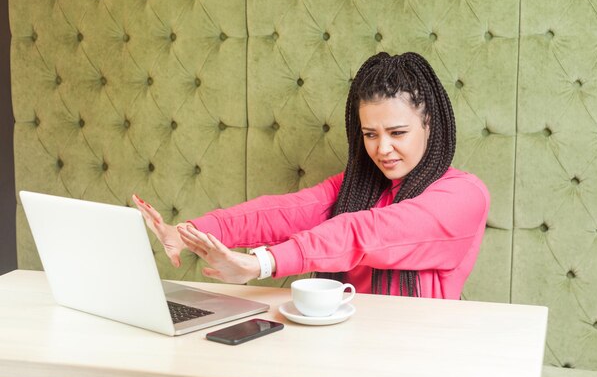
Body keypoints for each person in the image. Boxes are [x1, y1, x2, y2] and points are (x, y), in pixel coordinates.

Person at [133, 52, 490, 299]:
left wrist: (261, 263)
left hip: (417, 363)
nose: (382, 149)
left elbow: (364, 233)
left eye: (397, 133)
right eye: (370, 134)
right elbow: (281, 212)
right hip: (344, 352)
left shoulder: (462, 197)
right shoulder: (356, 189)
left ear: (429, 124)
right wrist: (188, 232)